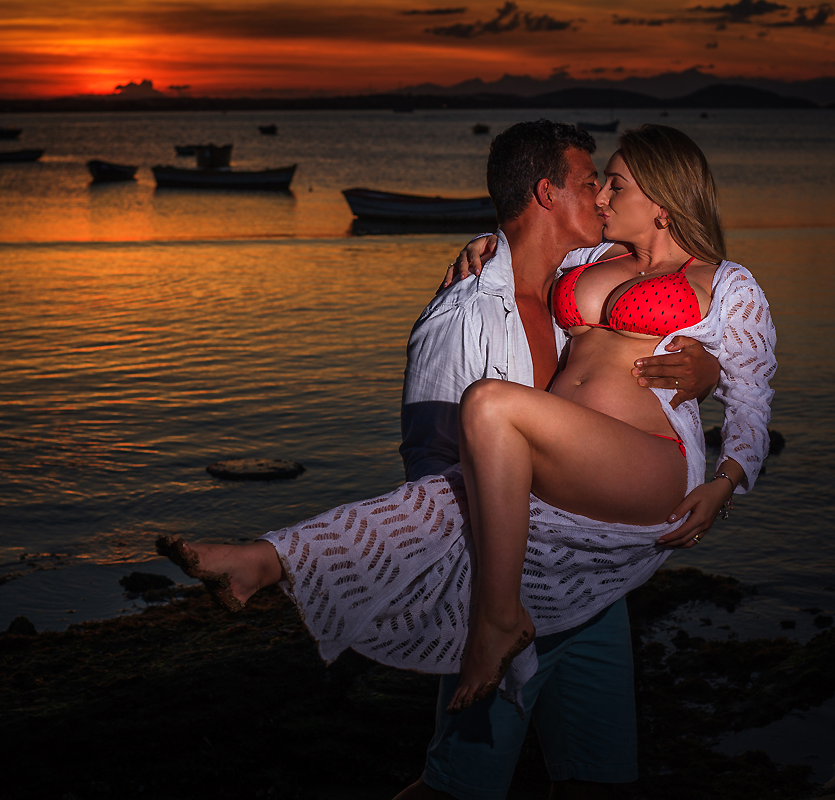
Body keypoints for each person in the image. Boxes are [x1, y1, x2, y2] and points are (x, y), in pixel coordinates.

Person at [158, 121, 776, 799]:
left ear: (660, 198)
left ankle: (464, 611)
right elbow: (432, 461)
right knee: (534, 776)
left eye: (614, 183)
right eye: (592, 181)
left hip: (619, 513)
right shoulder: (500, 297)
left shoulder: (717, 281)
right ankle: (269, 561)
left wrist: (720, 435)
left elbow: (750, 385)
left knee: (490, 409)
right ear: (546, 194)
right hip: (538, 550)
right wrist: (482, 246)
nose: (601, 195)